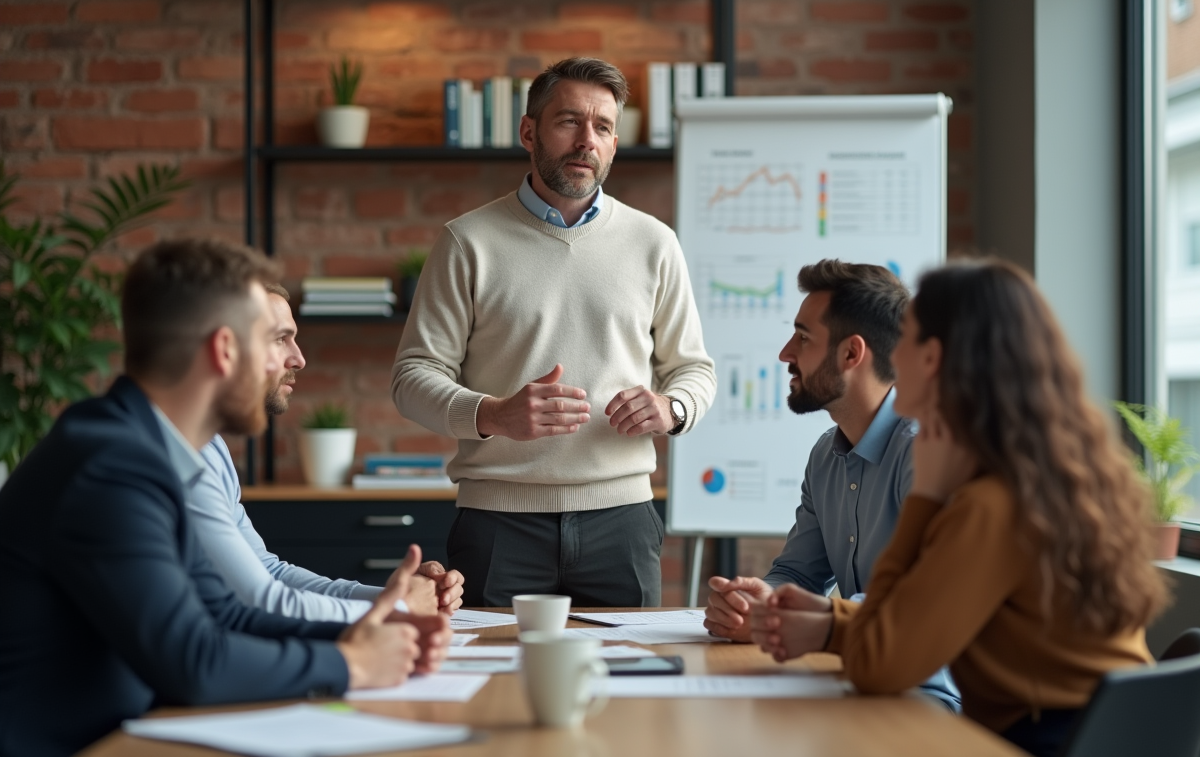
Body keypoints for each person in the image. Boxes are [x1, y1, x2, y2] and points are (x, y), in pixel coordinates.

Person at [0, 239, 444, 757]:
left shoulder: (145, 449)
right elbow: (194, 662)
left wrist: (377, 632)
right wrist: (353, 665)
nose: (291, 361)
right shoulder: (109, 465)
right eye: (272, 342)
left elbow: (227, 616)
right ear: (225, 349)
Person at [748, 259, 1167, 757]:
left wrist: (926, 496)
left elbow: (881, 663)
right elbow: (917, 617)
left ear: (936, 359)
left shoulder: (989, 502)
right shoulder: (1034, 475)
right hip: (1097, 733)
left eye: (909, 340)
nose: (893, 354)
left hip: (1045, 741)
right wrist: (833, 624)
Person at [392, 57, 716, 607]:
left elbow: (693, 368)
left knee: (628, 687)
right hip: (497, 524)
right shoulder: (467, 243)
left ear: (614, 143)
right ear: (529, 131)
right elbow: (412, 376)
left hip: (623, 522)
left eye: (603, 127)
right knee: (492, 688)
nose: (587, 140)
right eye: (569, 121)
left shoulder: (655, 243)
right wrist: (492, 414)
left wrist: (674, 408)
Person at [700, 260, 958, 711]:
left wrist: (791, 617)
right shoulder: (825, 456)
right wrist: (763, 599)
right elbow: (800, 573)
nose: (785, 353)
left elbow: (918, 601)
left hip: (926, 697)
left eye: (803, 337)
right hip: (854, 679)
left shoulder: (926, 452)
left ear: (851, 354)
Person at [192, 283, 465, 622]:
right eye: (280, 339)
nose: (299, 358)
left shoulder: (210, 447)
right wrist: (396, 608)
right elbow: (258, 598)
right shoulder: (183, 460)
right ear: (227, 347)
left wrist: (392, 596)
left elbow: (268, 572)